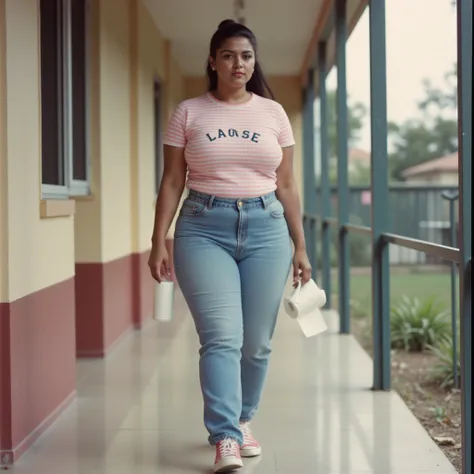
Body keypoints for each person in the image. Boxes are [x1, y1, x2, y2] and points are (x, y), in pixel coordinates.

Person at [148, 19, 311, 473]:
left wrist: (301, 246)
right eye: (228, 55)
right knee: (221, 337)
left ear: (253, 62)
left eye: (246, 56)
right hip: (203, 227)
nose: (238, 63)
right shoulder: (188, 112)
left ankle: (243, 421)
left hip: (267, 229)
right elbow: (172, 180)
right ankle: (224, 437)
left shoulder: (274, 114)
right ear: (213, 61)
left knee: (256, 343)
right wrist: (158, 238)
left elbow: (287, 183)